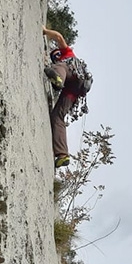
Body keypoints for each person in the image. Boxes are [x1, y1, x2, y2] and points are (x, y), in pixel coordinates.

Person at [42, 25, 81, 169]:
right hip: (74, 90)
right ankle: (62, 155)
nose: (56, 58)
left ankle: (58, 79)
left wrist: (45, 31)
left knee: (62, 66)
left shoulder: (67, 55)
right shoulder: (65, 61)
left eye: (56, 55)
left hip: (70, 75)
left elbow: (58, 37)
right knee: (57, 116)